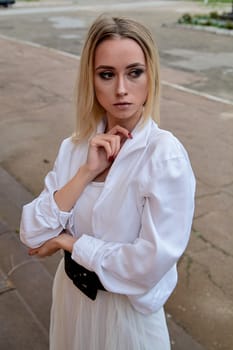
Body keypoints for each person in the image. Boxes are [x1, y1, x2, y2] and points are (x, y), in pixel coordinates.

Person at [20, 14, 195, 350]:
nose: (121, 89)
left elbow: (148, 265)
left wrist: (70, 244)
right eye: (106, 75)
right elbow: (31, 232)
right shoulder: (74, 147)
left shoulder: (164, 155)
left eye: (134, 73)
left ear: (150, 75)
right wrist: (86, 171)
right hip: (71, 301)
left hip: (126, 318)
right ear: (91, 78)